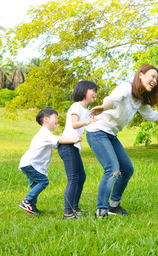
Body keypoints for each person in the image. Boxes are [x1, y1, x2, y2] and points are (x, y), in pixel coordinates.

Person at [86, 64, 158, 218]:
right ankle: (101, 212)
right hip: (97, 131)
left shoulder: (140, 100)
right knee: (112, 169)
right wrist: (103, 107)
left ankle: (113, 207)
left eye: (157, 79)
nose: (155, 81)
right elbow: (112, 100)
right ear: (141, 74)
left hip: (111, 134)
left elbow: (154, 116)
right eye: (153, 76)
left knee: (127, 169)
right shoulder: (125, 88)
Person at [19, 108, 81, 215]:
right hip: (31, 164)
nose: (57, 120)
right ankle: (26, 201)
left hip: (28, 164)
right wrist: (74, 140)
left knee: (35, 186)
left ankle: (31, 208)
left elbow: (57, 144)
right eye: (55, 117)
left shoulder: (46, 134)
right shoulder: (45, 133)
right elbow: (59, 140)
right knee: (44, 182)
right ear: (46, 119)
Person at [58, 81, 98, 220]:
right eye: (92, 90)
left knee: (82, 177)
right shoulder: (76, 106)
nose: (95, 93)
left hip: (73, 146)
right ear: (83, 91)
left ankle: (75, 208)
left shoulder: (86, 111)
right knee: (74, 178)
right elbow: (74, 124)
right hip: (67, 145)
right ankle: (67, 213)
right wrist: (89, 121)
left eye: (95, 91)